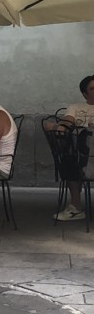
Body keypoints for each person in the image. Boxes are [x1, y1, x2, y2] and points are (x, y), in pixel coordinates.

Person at [51, 74, 94, 220]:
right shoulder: (76, 107)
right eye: (93, 88)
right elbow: (66, 123)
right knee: (68, 156)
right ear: (85, 93)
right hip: (81, 154)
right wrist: (61, 126)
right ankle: (76, 207)